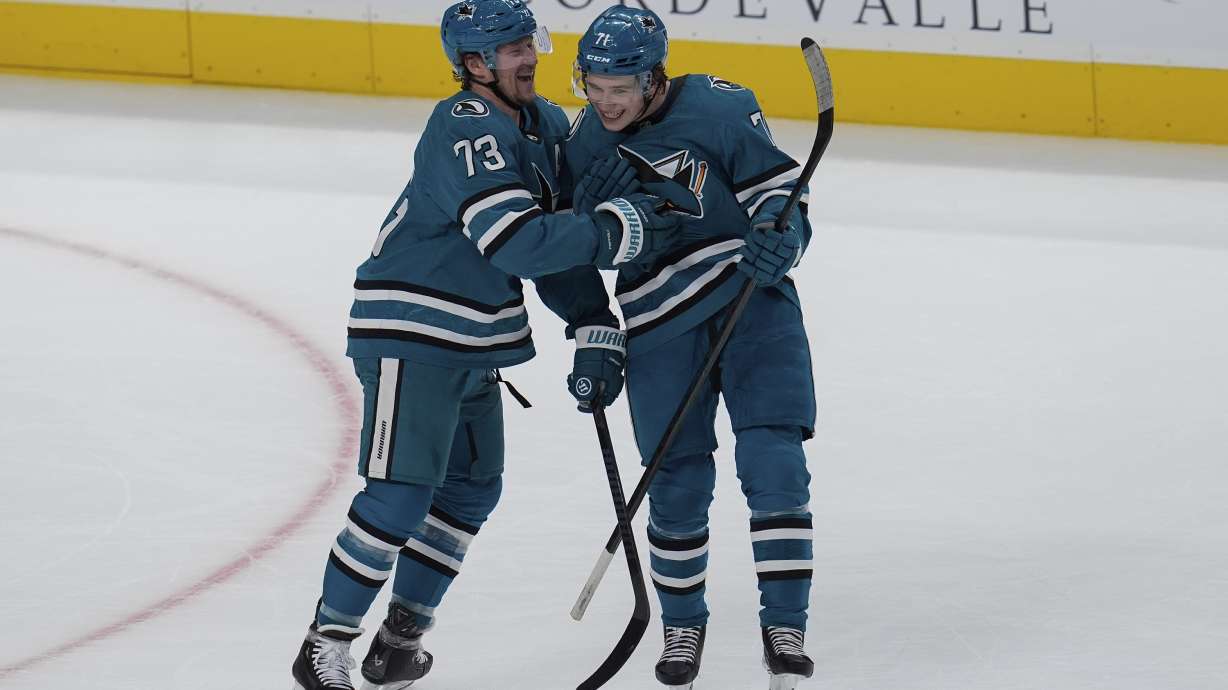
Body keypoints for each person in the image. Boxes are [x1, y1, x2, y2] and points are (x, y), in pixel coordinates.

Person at [289, 2, 684, 689]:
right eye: (509, 49)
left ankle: (399, 639)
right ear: (474, 65)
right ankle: (326, 642)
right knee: (400, 498)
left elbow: (554, 238)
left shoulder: (545, 124)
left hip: (478, 342)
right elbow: (517, 241)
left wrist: (591, 321)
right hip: (414, 333)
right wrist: (614, 228)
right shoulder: (462, 126)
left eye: (527, 41)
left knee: (472, 493)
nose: (527, 56)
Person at [565, 6, 819, 689]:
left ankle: (784, 625)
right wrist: (593, 329)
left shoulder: (721, 107)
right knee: (676, 484)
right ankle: (683, 626)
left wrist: (781, 236)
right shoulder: (584, 142)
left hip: (750, 303)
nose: (607, 101)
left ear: (654, 77)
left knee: (775, 461)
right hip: (656, 323)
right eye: (595, 86)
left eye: (621, 88)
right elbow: (568, 252)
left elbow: (782, 199)